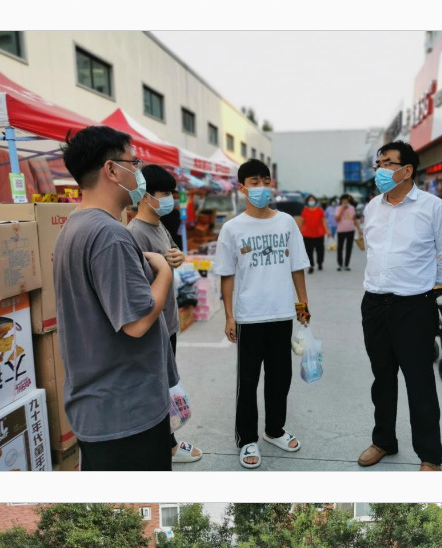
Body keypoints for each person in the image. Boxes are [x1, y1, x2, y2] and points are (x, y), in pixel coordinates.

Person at [53, 126, 175, 472]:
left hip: (101, 407)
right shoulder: (110, 234)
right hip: (125, 411)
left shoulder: (75, 226)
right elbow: (137, 322)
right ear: (111, 170)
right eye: (134, 163)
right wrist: (164, 272)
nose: (139, 173)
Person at [358, 140, 442, 471]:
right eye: (379, 164)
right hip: (374, 304)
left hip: (414, 307)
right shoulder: (372, 207)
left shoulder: (432, 207)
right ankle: (383, 440)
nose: (381, 170)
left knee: (420, 383)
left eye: (388, 163)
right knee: (381, 378)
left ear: (407, 170)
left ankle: (430, 455)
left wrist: (426, 290)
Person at [214, 158, 310, 469]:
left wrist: (302, 304)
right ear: (241, 188)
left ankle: (274, 430)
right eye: (254, 182)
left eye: (265, 180)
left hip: (281, 314)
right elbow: (226, 275)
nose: (261, 187)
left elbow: (297, 266)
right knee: (248, 382)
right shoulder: (232, 228)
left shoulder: (286, 223)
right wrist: (229, 316)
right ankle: (247, 439)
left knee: (280, 378)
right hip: (249, 317)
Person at [127, 163, 202, 465]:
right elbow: (141, 285)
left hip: (168, 322)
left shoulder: (159, 225)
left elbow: (170, 256)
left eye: (172, 192)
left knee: (167, 384)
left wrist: (178, 257)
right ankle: (166, 446)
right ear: (146, 196)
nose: (171, 198)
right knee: (159, 388)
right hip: (154, 325)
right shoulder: (135, 233)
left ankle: (166, 441)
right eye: (165, 193)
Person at [300, 196, 329, 272]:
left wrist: (327, 230)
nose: (311, 201)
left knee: (320, 250)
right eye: (310, 200)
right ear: (307, 202)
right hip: (307, 234)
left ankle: (320, 263)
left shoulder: (319, 210)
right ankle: (311, 266)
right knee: (309, 251)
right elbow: (302, 222)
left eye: (312, 200)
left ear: (315, 201)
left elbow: (323, 221)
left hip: (319, 233)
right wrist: (299, 231)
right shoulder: (305, 210)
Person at [335, 196, 358, 271]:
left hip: (350, 230)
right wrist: (342, 209)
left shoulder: (352, 208)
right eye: (344, 200)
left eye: (346, 200)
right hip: (341, 230)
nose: (345, 202)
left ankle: (346, 265)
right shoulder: (338, 208)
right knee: (340, 248)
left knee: (349, 248)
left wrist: (359, 229)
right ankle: (340, 264)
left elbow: (354, 219)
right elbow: (337, 219)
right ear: (341, 201)